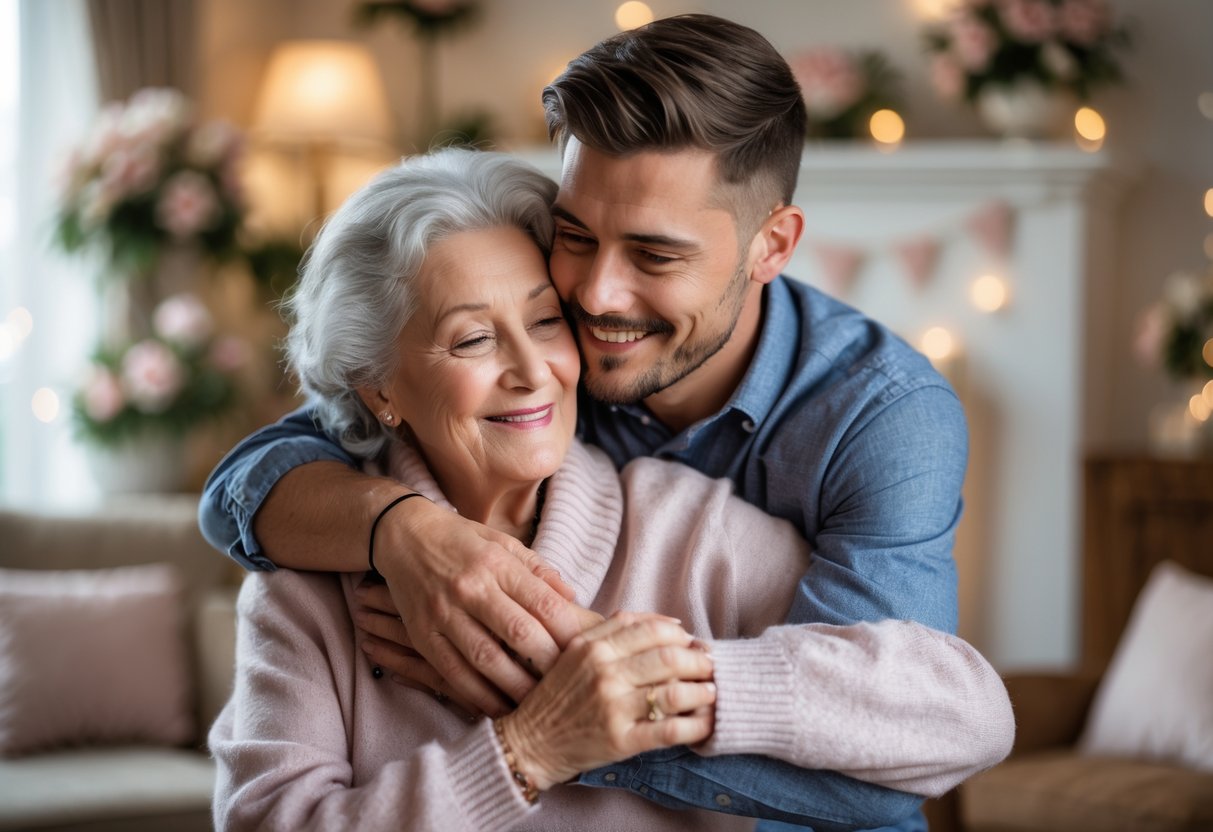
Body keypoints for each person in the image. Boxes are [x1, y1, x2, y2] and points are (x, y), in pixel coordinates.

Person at [202, 14, 974, 830]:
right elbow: (246, 484)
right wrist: (401, 532)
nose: (594, 297)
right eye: (574, 235)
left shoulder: (880, 423)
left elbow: (884, 775)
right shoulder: (522, 377)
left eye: (653, 254)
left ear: (771, 246)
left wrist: (568, 698)